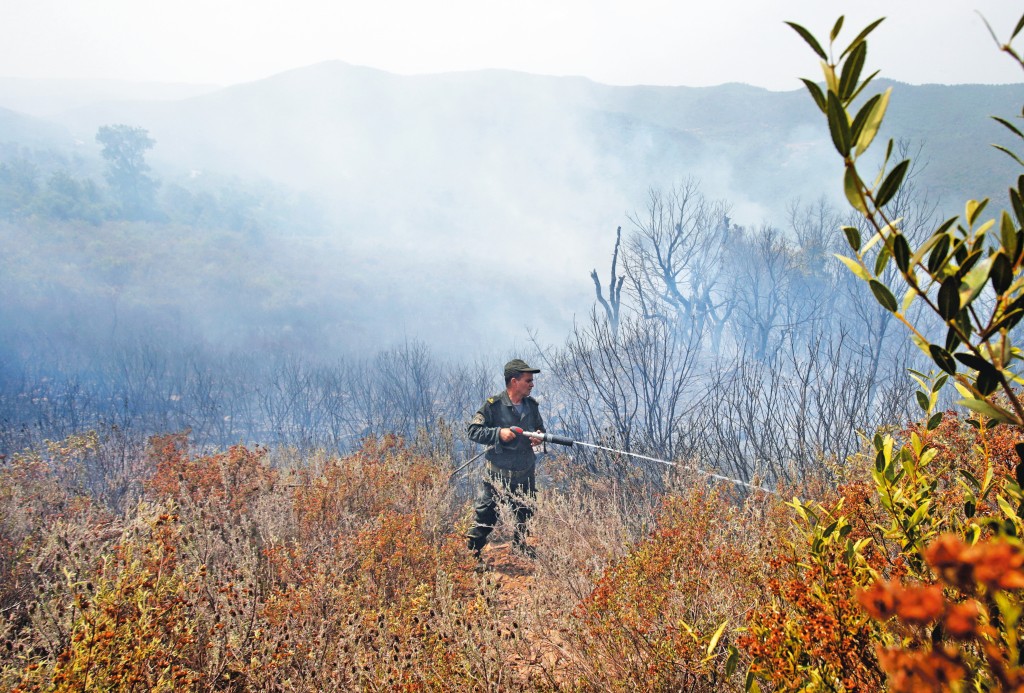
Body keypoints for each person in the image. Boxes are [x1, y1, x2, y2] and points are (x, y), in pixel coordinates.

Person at [466, 358, 545, 561]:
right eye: (528, 380)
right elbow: (473, 431)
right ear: (514, 381)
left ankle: (520, 546)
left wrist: (538, 437)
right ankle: (472, 554)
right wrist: (498, 433)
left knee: (525, 511)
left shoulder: (531, 406)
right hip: (497, 475)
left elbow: (540, 430)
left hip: (525, 473)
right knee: (486, 515)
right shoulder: (493, 406)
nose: (532, 384)